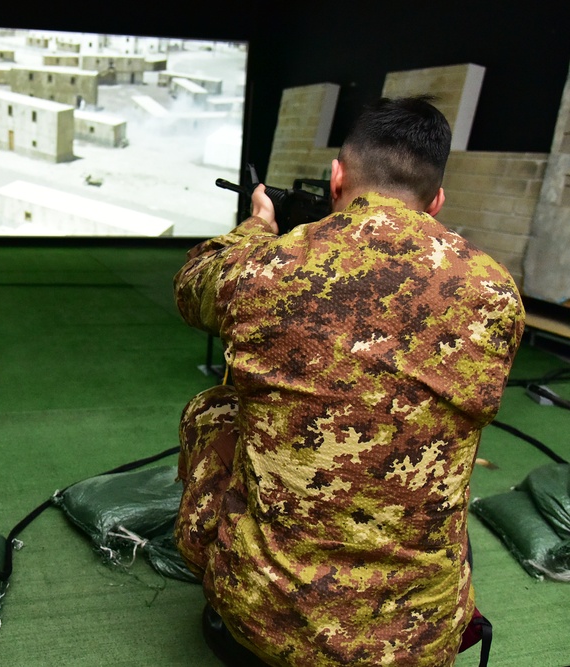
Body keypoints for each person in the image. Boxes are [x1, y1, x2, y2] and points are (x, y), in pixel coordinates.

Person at [173, 96, 524, 667]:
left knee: (213, 411)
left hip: (268, 622)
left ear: (337, 177)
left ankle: (236, 580)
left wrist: (260, 223)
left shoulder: (265, 270)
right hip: (419, 637)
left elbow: (193, 284)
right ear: (436, 201)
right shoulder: (495, 291)